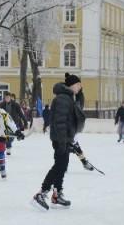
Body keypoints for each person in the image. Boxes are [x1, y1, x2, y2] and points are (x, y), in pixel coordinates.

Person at [32, 73, 86, 211]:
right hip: (60, 138)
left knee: (62, 166)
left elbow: (77, 114)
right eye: (78, 85)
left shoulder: (69, 98)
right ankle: (41, 193)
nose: (80, 87)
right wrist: (63, 141)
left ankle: (56, 194)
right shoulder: (62, 99)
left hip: (66, 138)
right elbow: (60, 122)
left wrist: (79, 96)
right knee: (59, 166)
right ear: (71, 85)